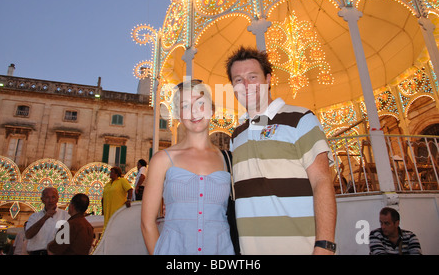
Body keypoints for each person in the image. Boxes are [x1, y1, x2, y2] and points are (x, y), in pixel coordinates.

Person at [225, 46, 337, 255]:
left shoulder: (301, 119)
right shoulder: (236, 135)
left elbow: (322, 181)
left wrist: (325, 245)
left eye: (252, 76)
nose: (246, 85)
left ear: (268, 79)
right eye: (238, 80)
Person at [141, 79, 234, 255]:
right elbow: (147, 223)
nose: (194, 112)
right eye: (185, 106)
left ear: (212, 110)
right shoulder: (162, 160)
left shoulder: (228, 160)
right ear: (178, 114)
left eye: (200, 103)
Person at [25, 187, 70, 255]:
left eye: (53, 197)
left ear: (57, 198)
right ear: (42, 200)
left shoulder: (66, 216)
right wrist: (45, 218)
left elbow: (66, 239)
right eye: (47, 197)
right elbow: (28, 235)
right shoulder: (35, 217)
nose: (50, 200)